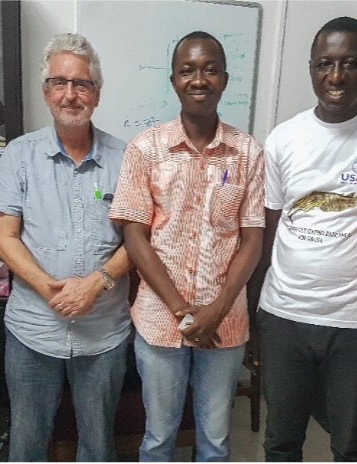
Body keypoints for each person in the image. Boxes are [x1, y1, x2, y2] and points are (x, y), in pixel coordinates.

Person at [246, 17, 357, 461]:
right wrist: (254, 319)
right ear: (311, 68)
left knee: (353, 444)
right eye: (325, 64)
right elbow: (267, 234)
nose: (336, 76)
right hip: (285, 316)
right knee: (282, 439)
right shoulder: (284, 138)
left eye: (350, 63)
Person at [109, 31, 265, 461]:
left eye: (210, 69)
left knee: (215, 441)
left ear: (225, 79)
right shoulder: (146, 149)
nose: (200, 79)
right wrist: (182, 310)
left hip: (226, 324)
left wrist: (216, 309)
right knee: (158, 437)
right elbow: (134, 235)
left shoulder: (248, 152)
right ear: (174, 80)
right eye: (188, 70)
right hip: (161, 322)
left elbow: (252, 237)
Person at [0, 33, 132, 462]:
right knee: (28, 440)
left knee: (98, 443)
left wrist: (96, 283)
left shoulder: (126, 159)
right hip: (32, 329)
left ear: (97, 94)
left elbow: (140, 239)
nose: (71, 94)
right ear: (46, 91)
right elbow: (3, 237)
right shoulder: (19, 155)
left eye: (82, 83)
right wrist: (50, 287)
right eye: (60, 82)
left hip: (103, 330)